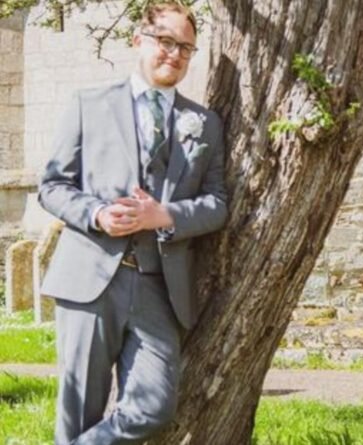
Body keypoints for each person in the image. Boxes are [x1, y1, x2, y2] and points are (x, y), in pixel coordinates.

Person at [38, 2, 227, 443]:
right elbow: (51, 186)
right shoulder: (89, 104)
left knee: (153, 406)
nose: (175, 54)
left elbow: (218, 203)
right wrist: (98, 214)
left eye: (185, 47)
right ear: (138, 40)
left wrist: (167, 216)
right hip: (88, 278)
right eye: (166, 41)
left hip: (158, 286)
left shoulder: (204, 123)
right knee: (78, 409)